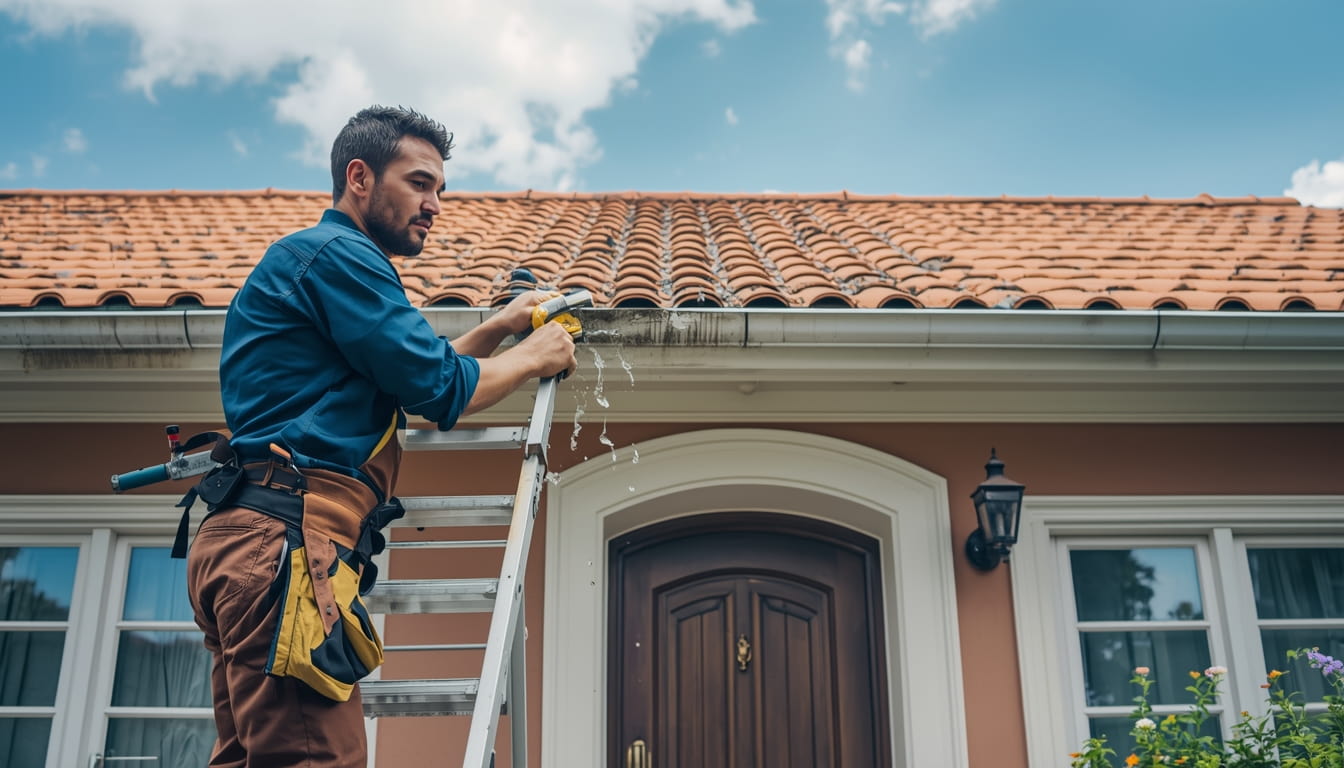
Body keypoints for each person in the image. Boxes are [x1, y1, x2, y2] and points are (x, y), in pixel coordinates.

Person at [184, 105, 576, 767]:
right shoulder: (340, 255)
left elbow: (412, 378)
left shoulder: (314, 262)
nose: (435, 205)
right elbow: (441, 388)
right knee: (316, 760)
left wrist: (501, 330)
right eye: (420, 183)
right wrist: (537, 355)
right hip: (283, 548)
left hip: (251, 540)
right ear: (359, 177)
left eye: (440, 191)